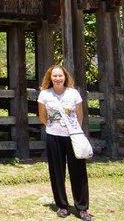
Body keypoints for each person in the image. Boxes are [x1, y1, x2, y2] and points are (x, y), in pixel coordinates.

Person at [37, 64, 92, 220]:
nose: (57, 78)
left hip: (73, 136)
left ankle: (82, 208)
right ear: (50, 78)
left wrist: (75, 131)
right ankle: (62, 206)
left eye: (60, 75)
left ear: (65, 77)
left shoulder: (73, 93)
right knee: (56, 172)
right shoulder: (44, 95)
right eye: (54, 76)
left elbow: (80, 116)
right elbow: (42, 116)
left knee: (79, 172)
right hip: (53, 136)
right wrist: (52, 127)